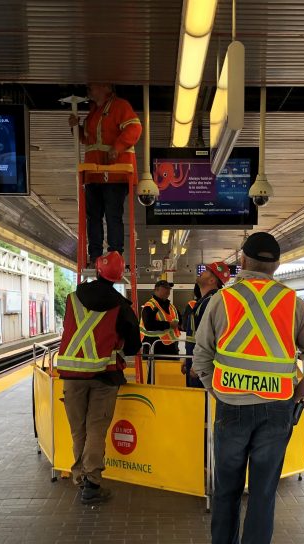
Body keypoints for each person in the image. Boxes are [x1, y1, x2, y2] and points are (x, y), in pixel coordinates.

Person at [194, 232, 304, 544]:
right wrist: (293, 394)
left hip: (231, 411)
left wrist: (219, 390)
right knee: (262, 494)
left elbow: (200, 359)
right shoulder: (292, 303)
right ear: (275, 265)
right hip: (276, 414)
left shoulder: (222, 300)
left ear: (243, 260)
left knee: (225, 490)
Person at [57, 251, 142, 504]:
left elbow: (68, 328)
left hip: (71, 376)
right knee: (96, 429)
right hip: (104, 377)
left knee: (78, 430)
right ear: (119, 276)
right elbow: (133, 347)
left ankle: (80, 476)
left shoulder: (73, 298)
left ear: (97, 269)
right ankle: (92, 484)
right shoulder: (122, 307)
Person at [69, 84, 142, 267]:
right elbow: (87, 140)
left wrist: (117, 148)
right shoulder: (94, 112)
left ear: (106, 88)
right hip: (94, 174)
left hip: (115, 172)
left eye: (93, 85)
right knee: (93, 216)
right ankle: (95, 256)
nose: (89, 88)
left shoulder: (120, 106)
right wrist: (75, 128)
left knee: (112, 214)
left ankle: (114, 256)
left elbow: (134, 129)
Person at [181, 262, 231, 388]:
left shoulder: (212, 303)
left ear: (212, 280)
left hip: (201, 369)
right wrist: (187, 359)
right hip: (195, 362)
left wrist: (198, 365)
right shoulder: (204, 302)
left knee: (202, 405)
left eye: (207, 270)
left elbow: (211, 339)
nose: (201, 272)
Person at [141, 279, 181, 363]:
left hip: (171, 347)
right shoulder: (149, 306)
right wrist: (168, 325)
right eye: (164, 287)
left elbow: (179, 320)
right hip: (154, 346)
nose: (168, 289)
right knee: (153, 374)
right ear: (156, 290)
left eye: (169, 288)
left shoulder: (171, 306)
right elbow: (149, 325)